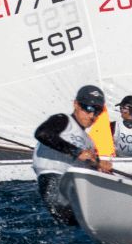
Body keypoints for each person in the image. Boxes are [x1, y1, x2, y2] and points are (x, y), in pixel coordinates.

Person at [31, 85, 111, 225]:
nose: (92, 115)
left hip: (75, 184)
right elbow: (42, 134)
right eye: (88, 108)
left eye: (97, 111)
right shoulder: (63, 120)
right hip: (52, 177)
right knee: (68, 218)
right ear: (76, 104)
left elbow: (91, 164)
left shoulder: (90, 142)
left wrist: (100, 165)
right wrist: (76, 152)